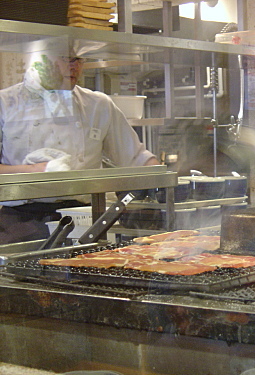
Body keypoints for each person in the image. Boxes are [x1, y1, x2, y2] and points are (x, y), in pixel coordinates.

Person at [0, 47, 160, 244]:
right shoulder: (6, 103)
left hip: (85, 218)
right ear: (41, 60)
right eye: (65, 58)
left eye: (78, 59)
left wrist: (165, 181)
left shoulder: (98, 105)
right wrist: (35, 170)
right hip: (21, 220)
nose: (73, 66)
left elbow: (136, 158)